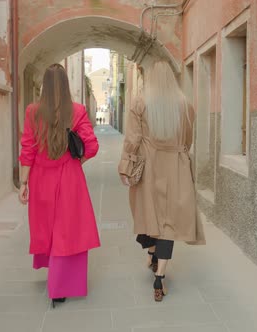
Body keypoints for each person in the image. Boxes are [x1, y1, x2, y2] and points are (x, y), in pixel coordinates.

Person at [118, 61, 205, 302]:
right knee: (169, 222)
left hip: (150, 167)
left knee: (149, 214)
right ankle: (160, 277)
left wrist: (125, 167)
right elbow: (188, 141)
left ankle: (152, 255)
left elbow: (132, 139)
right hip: (176, 167)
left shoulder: (140, 102)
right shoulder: (186, 105)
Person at [18, 63, 100, 308]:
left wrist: (23, 183)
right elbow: (92, 146)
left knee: (48, 227)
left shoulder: (33, 111)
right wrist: (76, 163)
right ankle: (61, 284)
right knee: (67, 231)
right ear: (65, 86)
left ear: (44, 86)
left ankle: (54, 279)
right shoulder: (76, 110)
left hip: (41, 179)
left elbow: (28, 149)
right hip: (69, 179)